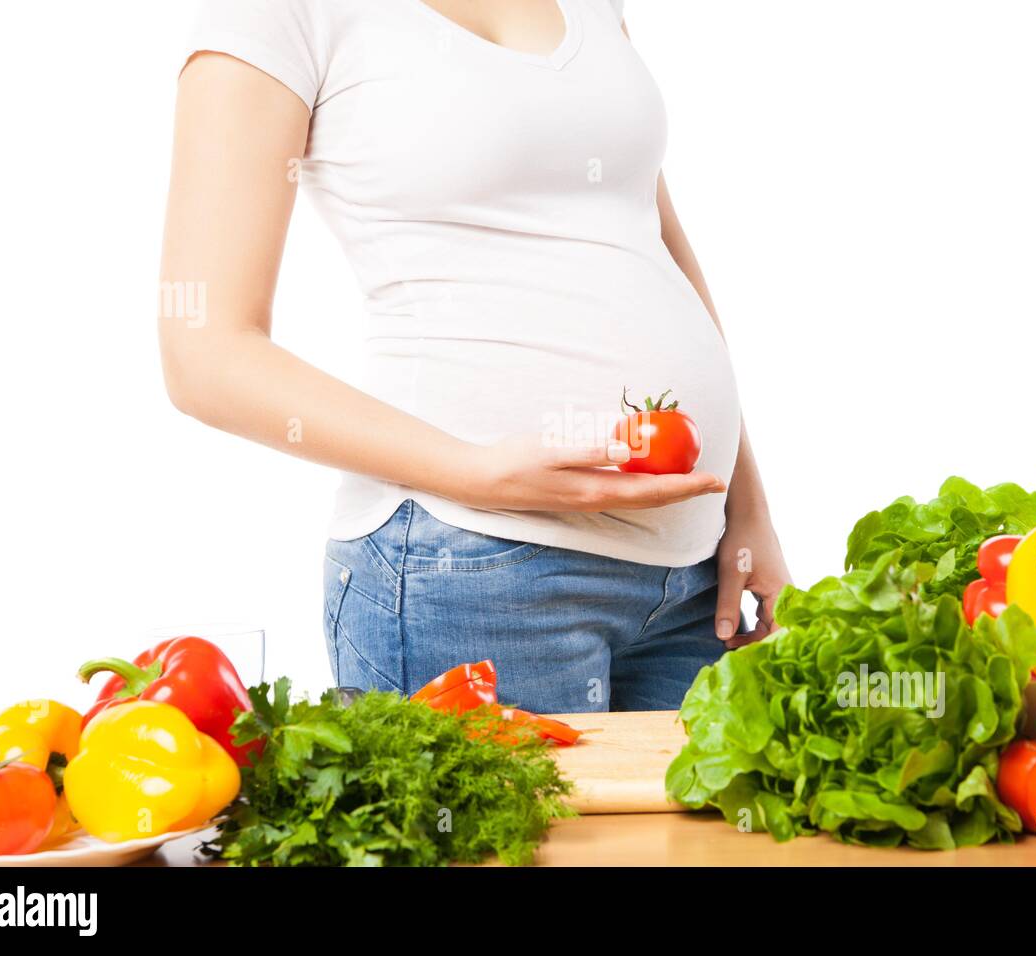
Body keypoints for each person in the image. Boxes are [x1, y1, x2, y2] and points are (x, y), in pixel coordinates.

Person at [158, 0, 790, 712]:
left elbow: (651, 243)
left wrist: (748, 506)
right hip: (471, 567)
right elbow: (203, 352)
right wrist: (476, 472)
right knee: (502, 825)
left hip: (693, 577)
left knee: (684, 829)